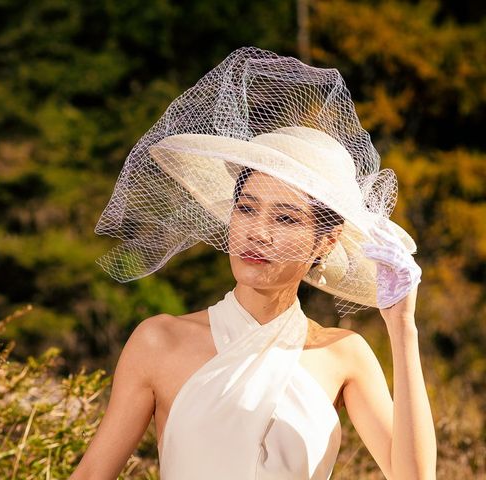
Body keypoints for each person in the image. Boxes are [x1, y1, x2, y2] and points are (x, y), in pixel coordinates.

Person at [71, 48, 436, 479]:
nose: (257, 232)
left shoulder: (343, 354)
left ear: (326, 241)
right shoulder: (159, 341)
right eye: (246, 209)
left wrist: (402, 325)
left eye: (284, 218)